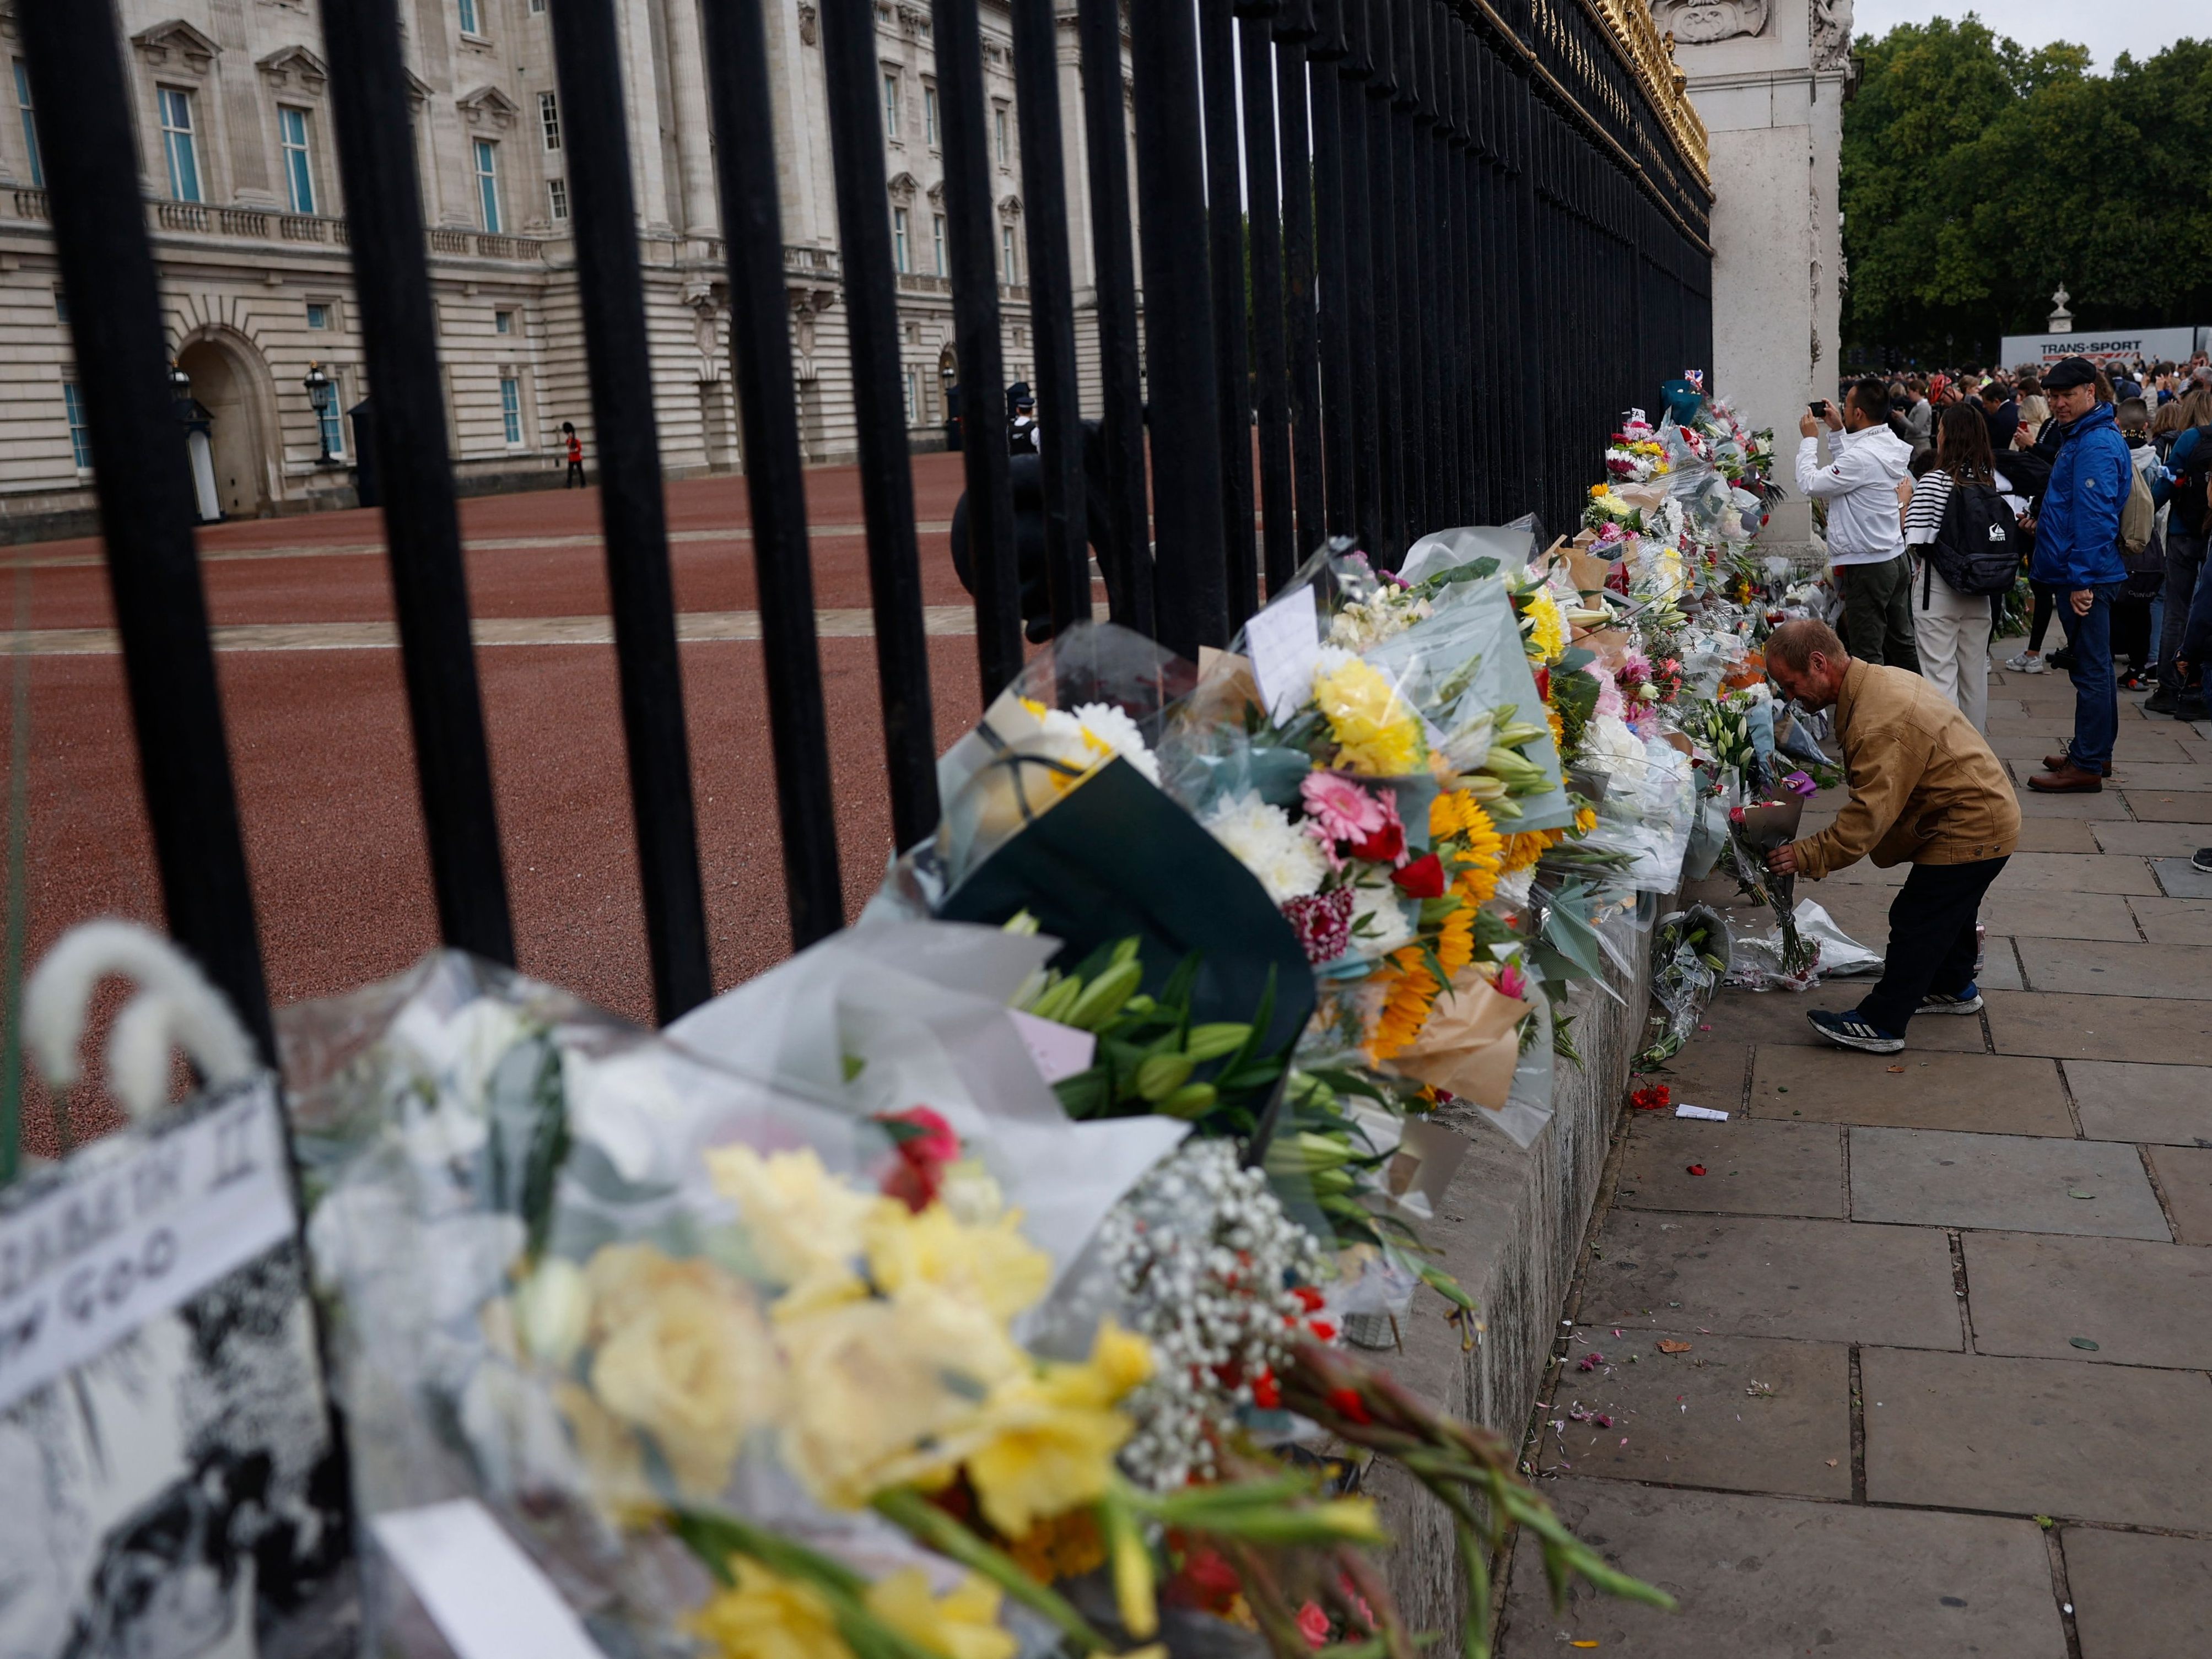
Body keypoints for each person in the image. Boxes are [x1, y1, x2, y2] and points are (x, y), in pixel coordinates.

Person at [1762, 618, 2019, 1054]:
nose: (1791, 698)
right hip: (1979, 811)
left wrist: (1806, 854)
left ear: (1819, 663)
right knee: (1948, 910)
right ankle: (1952, 985)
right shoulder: (1876, 680)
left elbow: (1867, 818)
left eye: (1790, 685)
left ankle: (1883, 1022)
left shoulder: (1877, 720)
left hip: (1971, 824)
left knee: (1918, 919)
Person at [2024, 356, 2133, 792]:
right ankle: (2095, 751)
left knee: (2090, 669)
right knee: (2097, 668)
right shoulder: (2084, 434)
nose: (2059, 404)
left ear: (2091, 391)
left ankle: (2087, 763)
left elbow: (2094, 517)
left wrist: (2083, 580)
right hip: (2078, 569)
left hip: (2084, 574)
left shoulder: (2095, 442)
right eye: (2053, 397)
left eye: (2067, 395)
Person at [1899, 404, 2009, 729]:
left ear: (1949, 435)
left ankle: (1948, 756)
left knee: (1939, 677)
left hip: (1939, 591)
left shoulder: (1935, 481)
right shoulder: (1988, 482)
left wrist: (1905, 501)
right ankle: (1976, 754)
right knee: (1974, 680)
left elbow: (1914, 538)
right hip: (1979, 593)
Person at [1798, 377, 1920, 670]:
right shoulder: (1886, 443)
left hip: (1868, 566)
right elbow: (1852, 473)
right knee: (1901, 644)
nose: (1842, 409)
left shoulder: (1863, 457)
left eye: (1847, 406)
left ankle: (1873, 714)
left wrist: (1809, 440)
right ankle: (1921, 705)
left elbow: (1810, 483)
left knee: (1867, 653)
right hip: (1893, 557)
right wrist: (1838, 431)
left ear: (1858, 414)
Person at [2148, 377, 2212, 717]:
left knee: (2176, 610)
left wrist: (2143, 516)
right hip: (2209, 531)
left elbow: (2166, 486)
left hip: (2182, 533)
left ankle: (2169, 686)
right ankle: (2201, 682)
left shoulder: (2189, 439)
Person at [1977, 380, 2020, 452]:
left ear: (1996, 402)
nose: (1984, 406)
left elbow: (1991, 446)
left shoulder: (1996, 420)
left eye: (1986, 403)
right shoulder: (2018, 409)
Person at [562, 421, 585, 488]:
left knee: (580, 471)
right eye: (569, 434)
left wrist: (574, 450)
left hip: (577, 458)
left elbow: (579, 449)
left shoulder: (577, 441)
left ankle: (583, 483)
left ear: (572, 434)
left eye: (570, 433)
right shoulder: (567, 441)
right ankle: (569, 484)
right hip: (571, 458)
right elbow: (568, 448)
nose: (569, 435)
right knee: (570, 472)